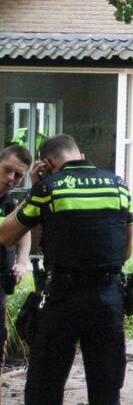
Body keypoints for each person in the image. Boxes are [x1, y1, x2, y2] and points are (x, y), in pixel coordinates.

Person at [0, 134, 133, 405]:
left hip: (64, 299)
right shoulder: (119, 186)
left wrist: (36, 190)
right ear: (81, 156)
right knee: (106, 387)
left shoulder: (50, 188)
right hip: (109, 299)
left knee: (45, 386)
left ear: (47, 163)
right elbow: (126, 251)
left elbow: (5, 236)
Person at [0, 145, 32, 351]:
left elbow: (24, 229)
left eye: (19, 175)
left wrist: (21, 261)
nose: (11, 177)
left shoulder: (10, 202)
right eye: (7, 170)